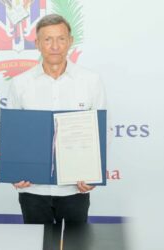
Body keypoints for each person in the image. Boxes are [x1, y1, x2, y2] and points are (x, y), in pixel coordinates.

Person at [7, 14, 107, 224]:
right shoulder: (20, 84)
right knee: (37, 244)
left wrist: (93, 174)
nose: (55, 46)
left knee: (75, 245)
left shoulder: (90, 81)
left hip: (75, 188)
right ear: (37, 44)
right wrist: (15, 172)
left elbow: (100, 132)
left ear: (70, 41)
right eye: (48, 39)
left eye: (61, 39)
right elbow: (13, 135)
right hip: (33, 188)